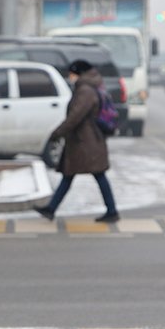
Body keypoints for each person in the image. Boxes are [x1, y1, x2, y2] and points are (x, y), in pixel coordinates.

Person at [34, 59, 120, 223]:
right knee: (71, 175)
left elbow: (75, 116)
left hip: (86, 142)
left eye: (71, 73)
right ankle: (51, 208)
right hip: (86, 140)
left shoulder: (85, 90)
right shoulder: (89, 87)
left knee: (95, 175)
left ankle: (112, 210)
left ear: (78, 73)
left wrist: (57, 132)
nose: (70, 77)